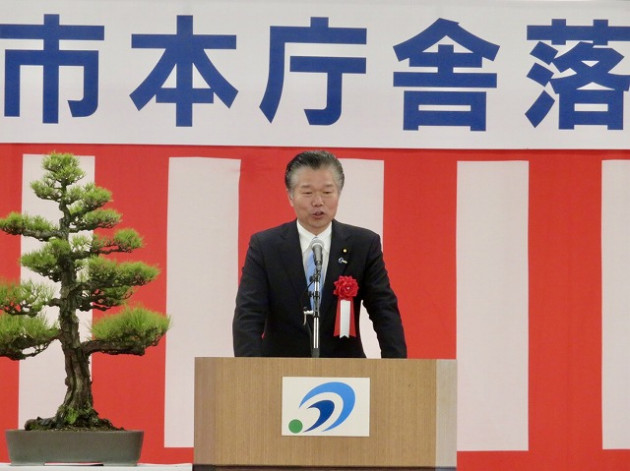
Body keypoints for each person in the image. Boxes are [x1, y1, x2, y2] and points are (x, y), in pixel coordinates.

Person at [232, 150, 407, 358]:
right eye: (307, 193)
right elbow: (248, 315)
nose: (318, 202)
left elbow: (383, 310)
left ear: (338, 194)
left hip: (346, 370)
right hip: (280, 369)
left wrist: (397, 367)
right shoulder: (265, 246)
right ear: (290, 196)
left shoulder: (363, 244)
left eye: (326, 192)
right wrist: (250, 371)